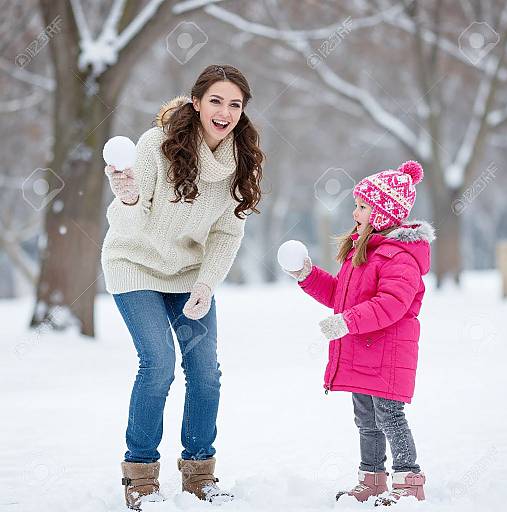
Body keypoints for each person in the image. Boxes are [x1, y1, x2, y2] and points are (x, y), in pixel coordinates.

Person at [101, 64, 264, 510]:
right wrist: (129, 197)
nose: (225, 111)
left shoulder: (241, 160)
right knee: (158, 363)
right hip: (134, 263)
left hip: (189, 275)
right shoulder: (157, 145)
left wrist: (207, 284)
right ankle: (140, 477)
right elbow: (124, 221)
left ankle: (199, 474)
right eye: (216, 100)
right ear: (196, 102)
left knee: (206, 371)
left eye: (235, 104)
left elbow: (228, 233)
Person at [283, 161, 435, 506]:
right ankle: (372, 478)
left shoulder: (400, 256)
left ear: (382, 212)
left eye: (363, 206)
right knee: (365, 418)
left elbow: (391, 304)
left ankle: (408, 480)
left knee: (390, 417)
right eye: (357, 205)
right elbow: (342, 296)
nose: (355, 212)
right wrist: (307, 275)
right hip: (364, 352)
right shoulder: (364, 251)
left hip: (388, 353)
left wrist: (348, 321)